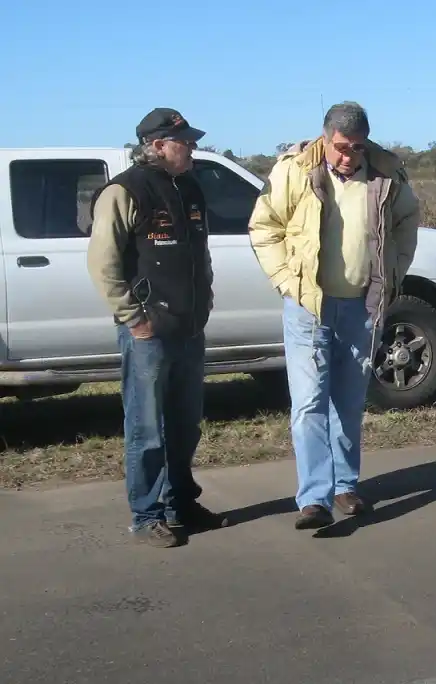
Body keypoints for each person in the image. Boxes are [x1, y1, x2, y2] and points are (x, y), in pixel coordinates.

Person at [248, 101, 420, 531]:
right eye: (341, 147)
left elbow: (406, 223)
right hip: (309, 305)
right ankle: (314, 497)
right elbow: (264, 227)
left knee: (348, 401)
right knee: (309, 404)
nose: (348, 156)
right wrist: (288, 281)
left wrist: (394, 271)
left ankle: (345, 486)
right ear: (325, 138)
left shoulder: (385, 172)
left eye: (357, 148)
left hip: (362, 306)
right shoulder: (293, 169)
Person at [87, 108, 228, 548]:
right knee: (146, 429)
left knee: (185, 425)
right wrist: (134, 318)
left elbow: (199, 252)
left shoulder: (190, 188)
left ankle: (180, 502)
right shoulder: (124, 191)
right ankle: (146, 515)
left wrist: (204, 299)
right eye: (182, 141)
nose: (191, 148)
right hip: (148, 331)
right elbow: (102, 264)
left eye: (190, 140)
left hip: (188, 328)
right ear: (156, 145)